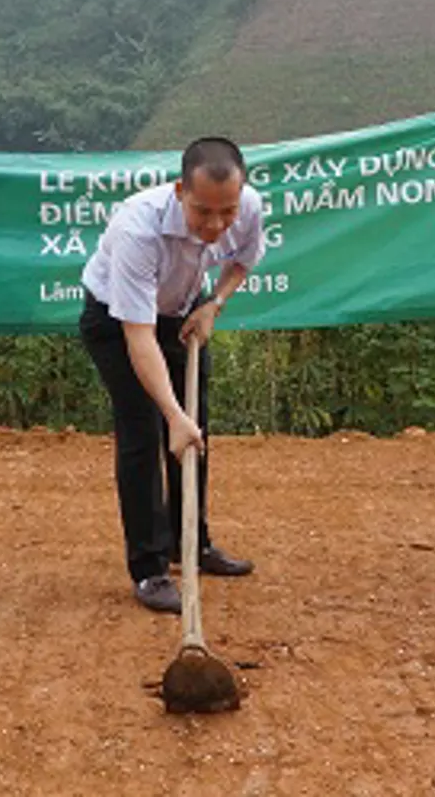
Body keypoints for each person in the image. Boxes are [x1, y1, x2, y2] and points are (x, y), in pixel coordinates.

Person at [78, 137, 264, 614]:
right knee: (145, 429)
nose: (216, 225)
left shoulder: (246, 207)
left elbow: (243, 259)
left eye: (226, 212)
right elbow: (138, 338)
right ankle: (150, 569)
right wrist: (171, 413)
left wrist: (213, 305)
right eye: (203, 212)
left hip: (183, 311)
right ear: (181, 190)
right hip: (118, 323)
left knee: (192, 430)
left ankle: (193, 545)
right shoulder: (136, 229)